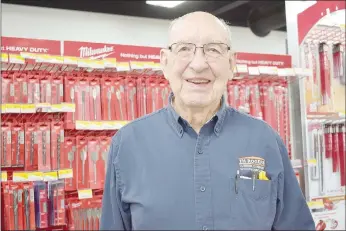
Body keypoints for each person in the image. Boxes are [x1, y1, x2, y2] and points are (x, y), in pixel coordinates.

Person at [100, 11, 315, 230]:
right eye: (184, 48)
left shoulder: (265, 141)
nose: (199, 64)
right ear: (165, 62)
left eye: (213, 50)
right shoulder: (127, 145)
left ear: (231, 64)